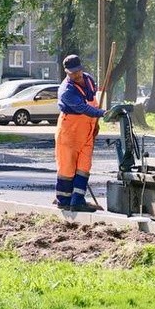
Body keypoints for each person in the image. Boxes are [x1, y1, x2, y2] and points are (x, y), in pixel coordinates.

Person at [54, 54, 105, 212]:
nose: (76, 75)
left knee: (84, 166)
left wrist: (95, 125)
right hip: (69, 132)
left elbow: (92, 102)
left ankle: (77, 201)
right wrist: (102, 114)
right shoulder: (66, 91)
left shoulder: (89, 80)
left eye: (77, 71)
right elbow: (84, 109)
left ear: (81, 68)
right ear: (66, 72)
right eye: (72, 73)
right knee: (67, 168)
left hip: (87, 131)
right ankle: (63, 200)